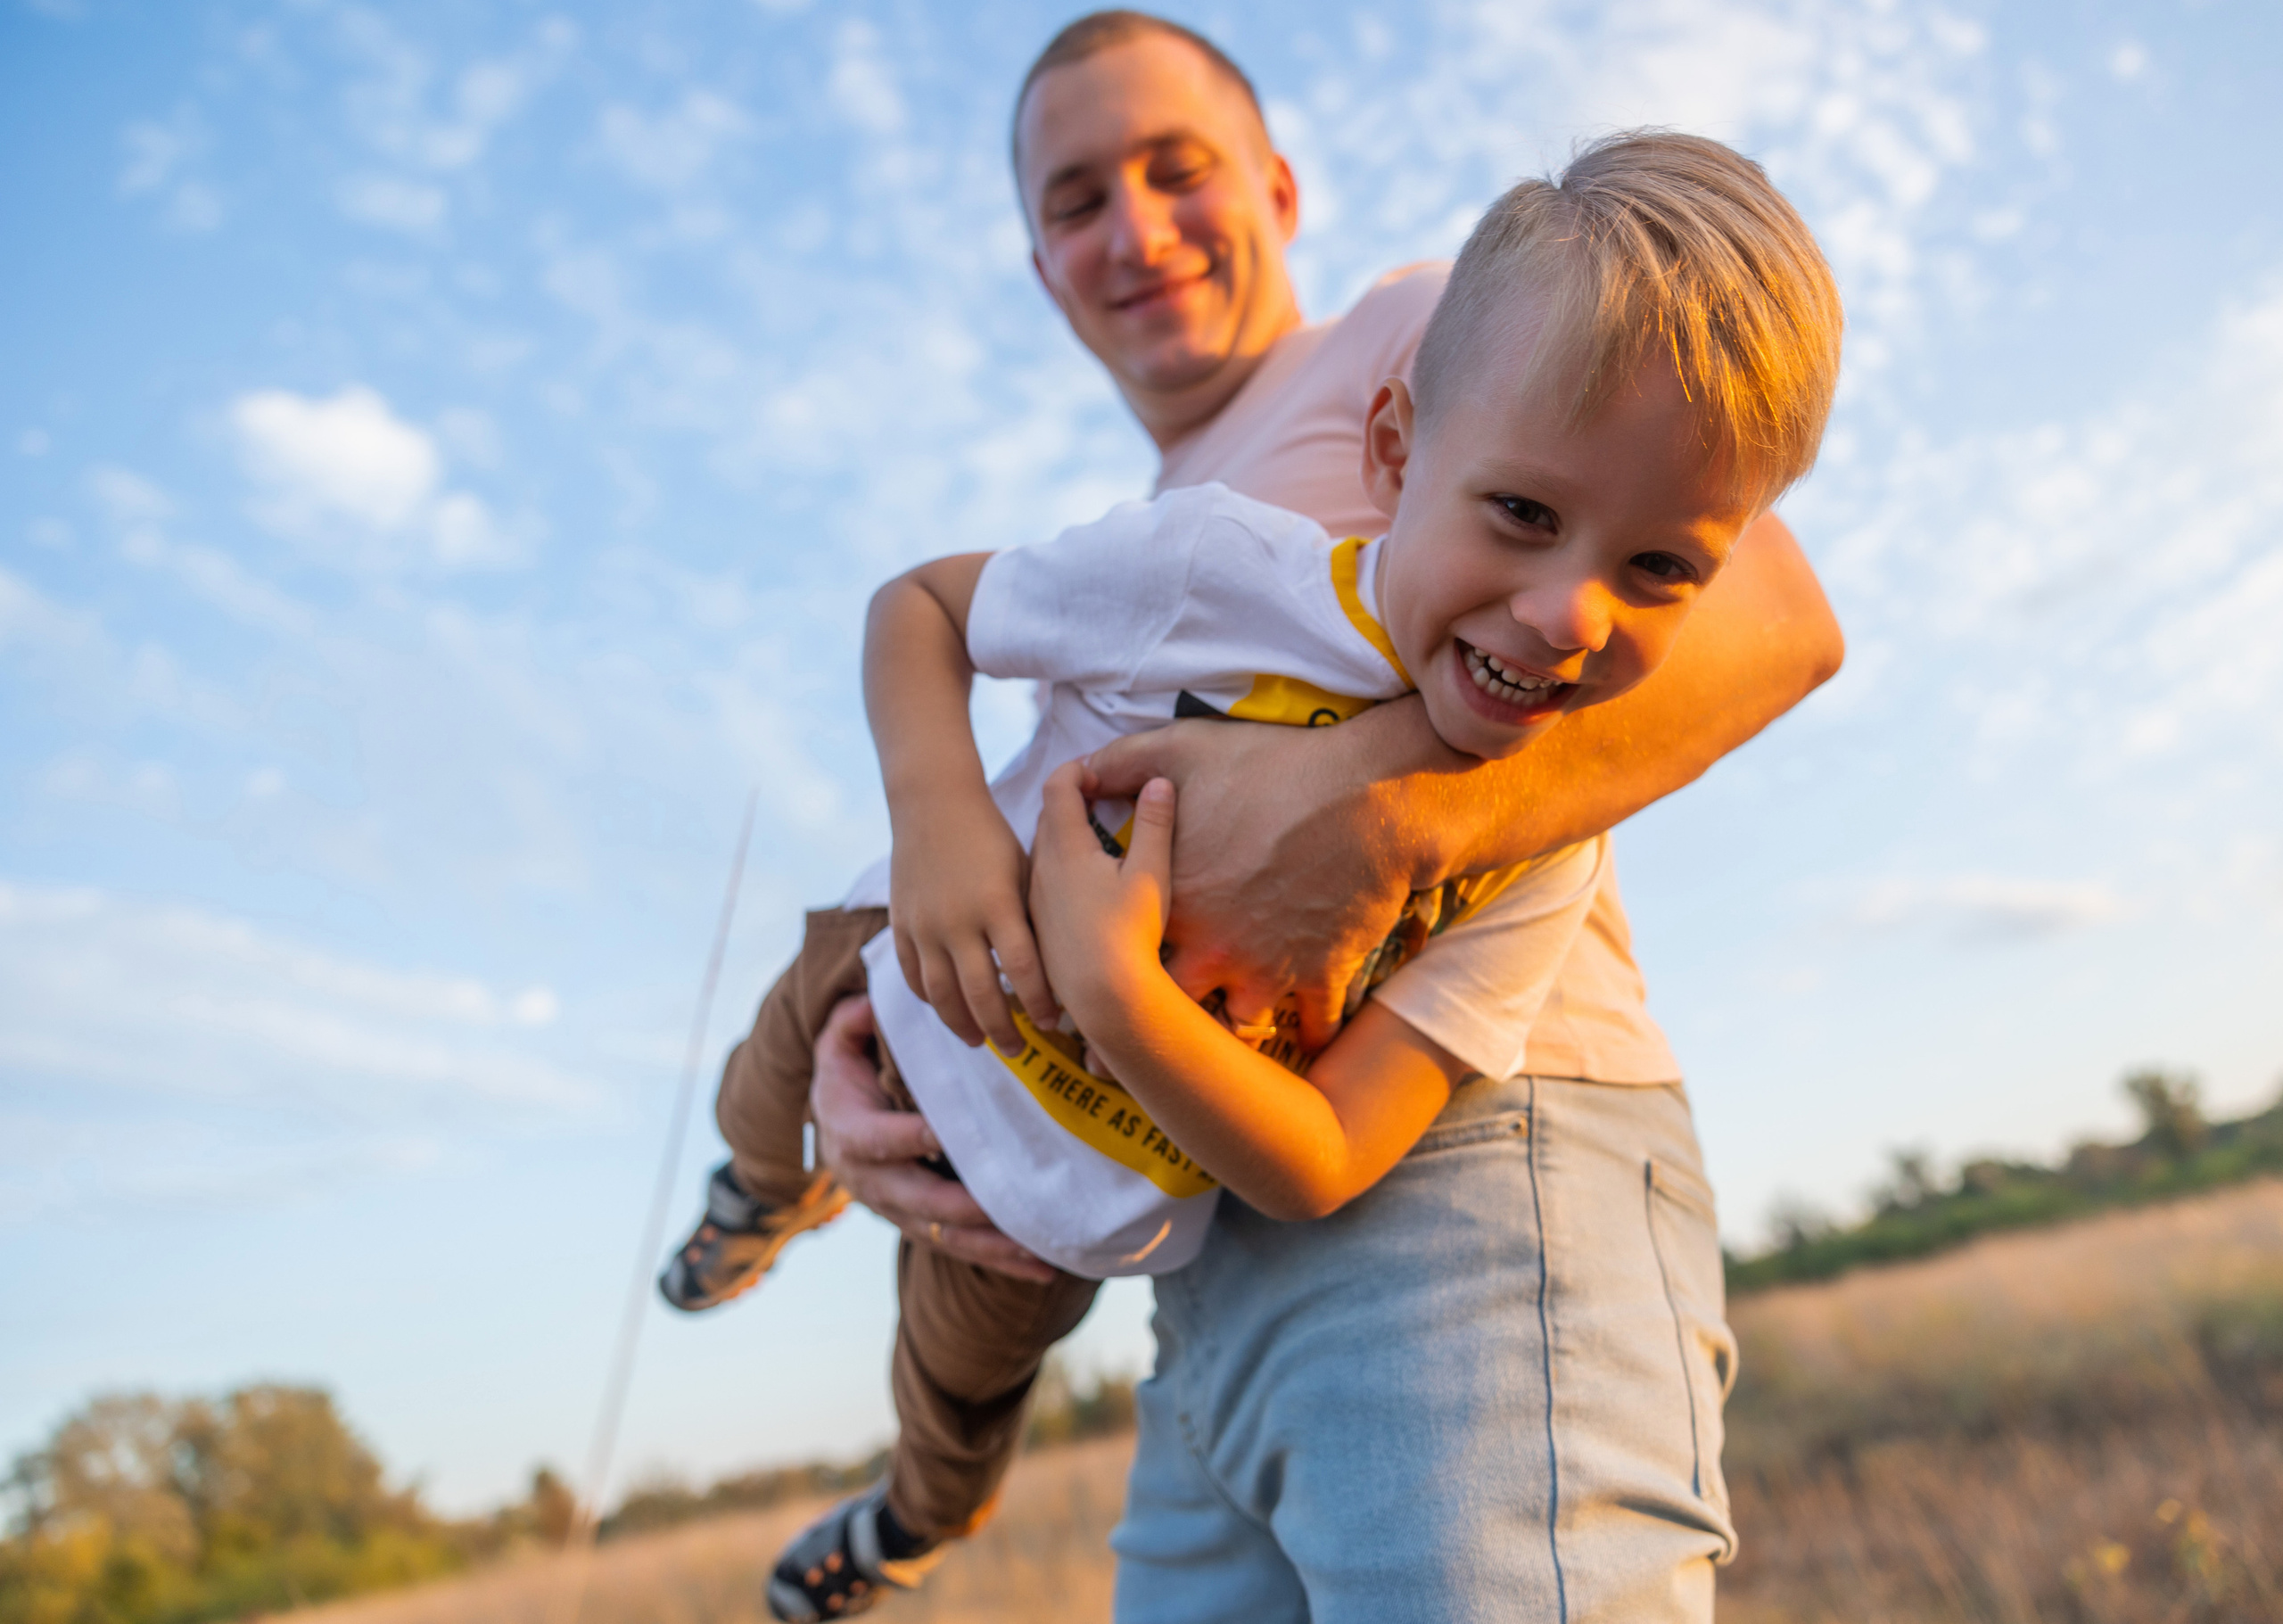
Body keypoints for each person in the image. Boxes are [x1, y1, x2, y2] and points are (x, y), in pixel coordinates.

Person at [680, 8, 1843, 1619]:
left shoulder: (1433, 330)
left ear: (1280, 189)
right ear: (1038, 263)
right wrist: (887, 1055)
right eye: (1077, 200)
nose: (1138, 231)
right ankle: (787, 1243)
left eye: (1178, 169)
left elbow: (1773, 614)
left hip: (1465, 1171)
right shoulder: (1173, 529)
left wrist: (1370, 810)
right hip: (1201, 1238)